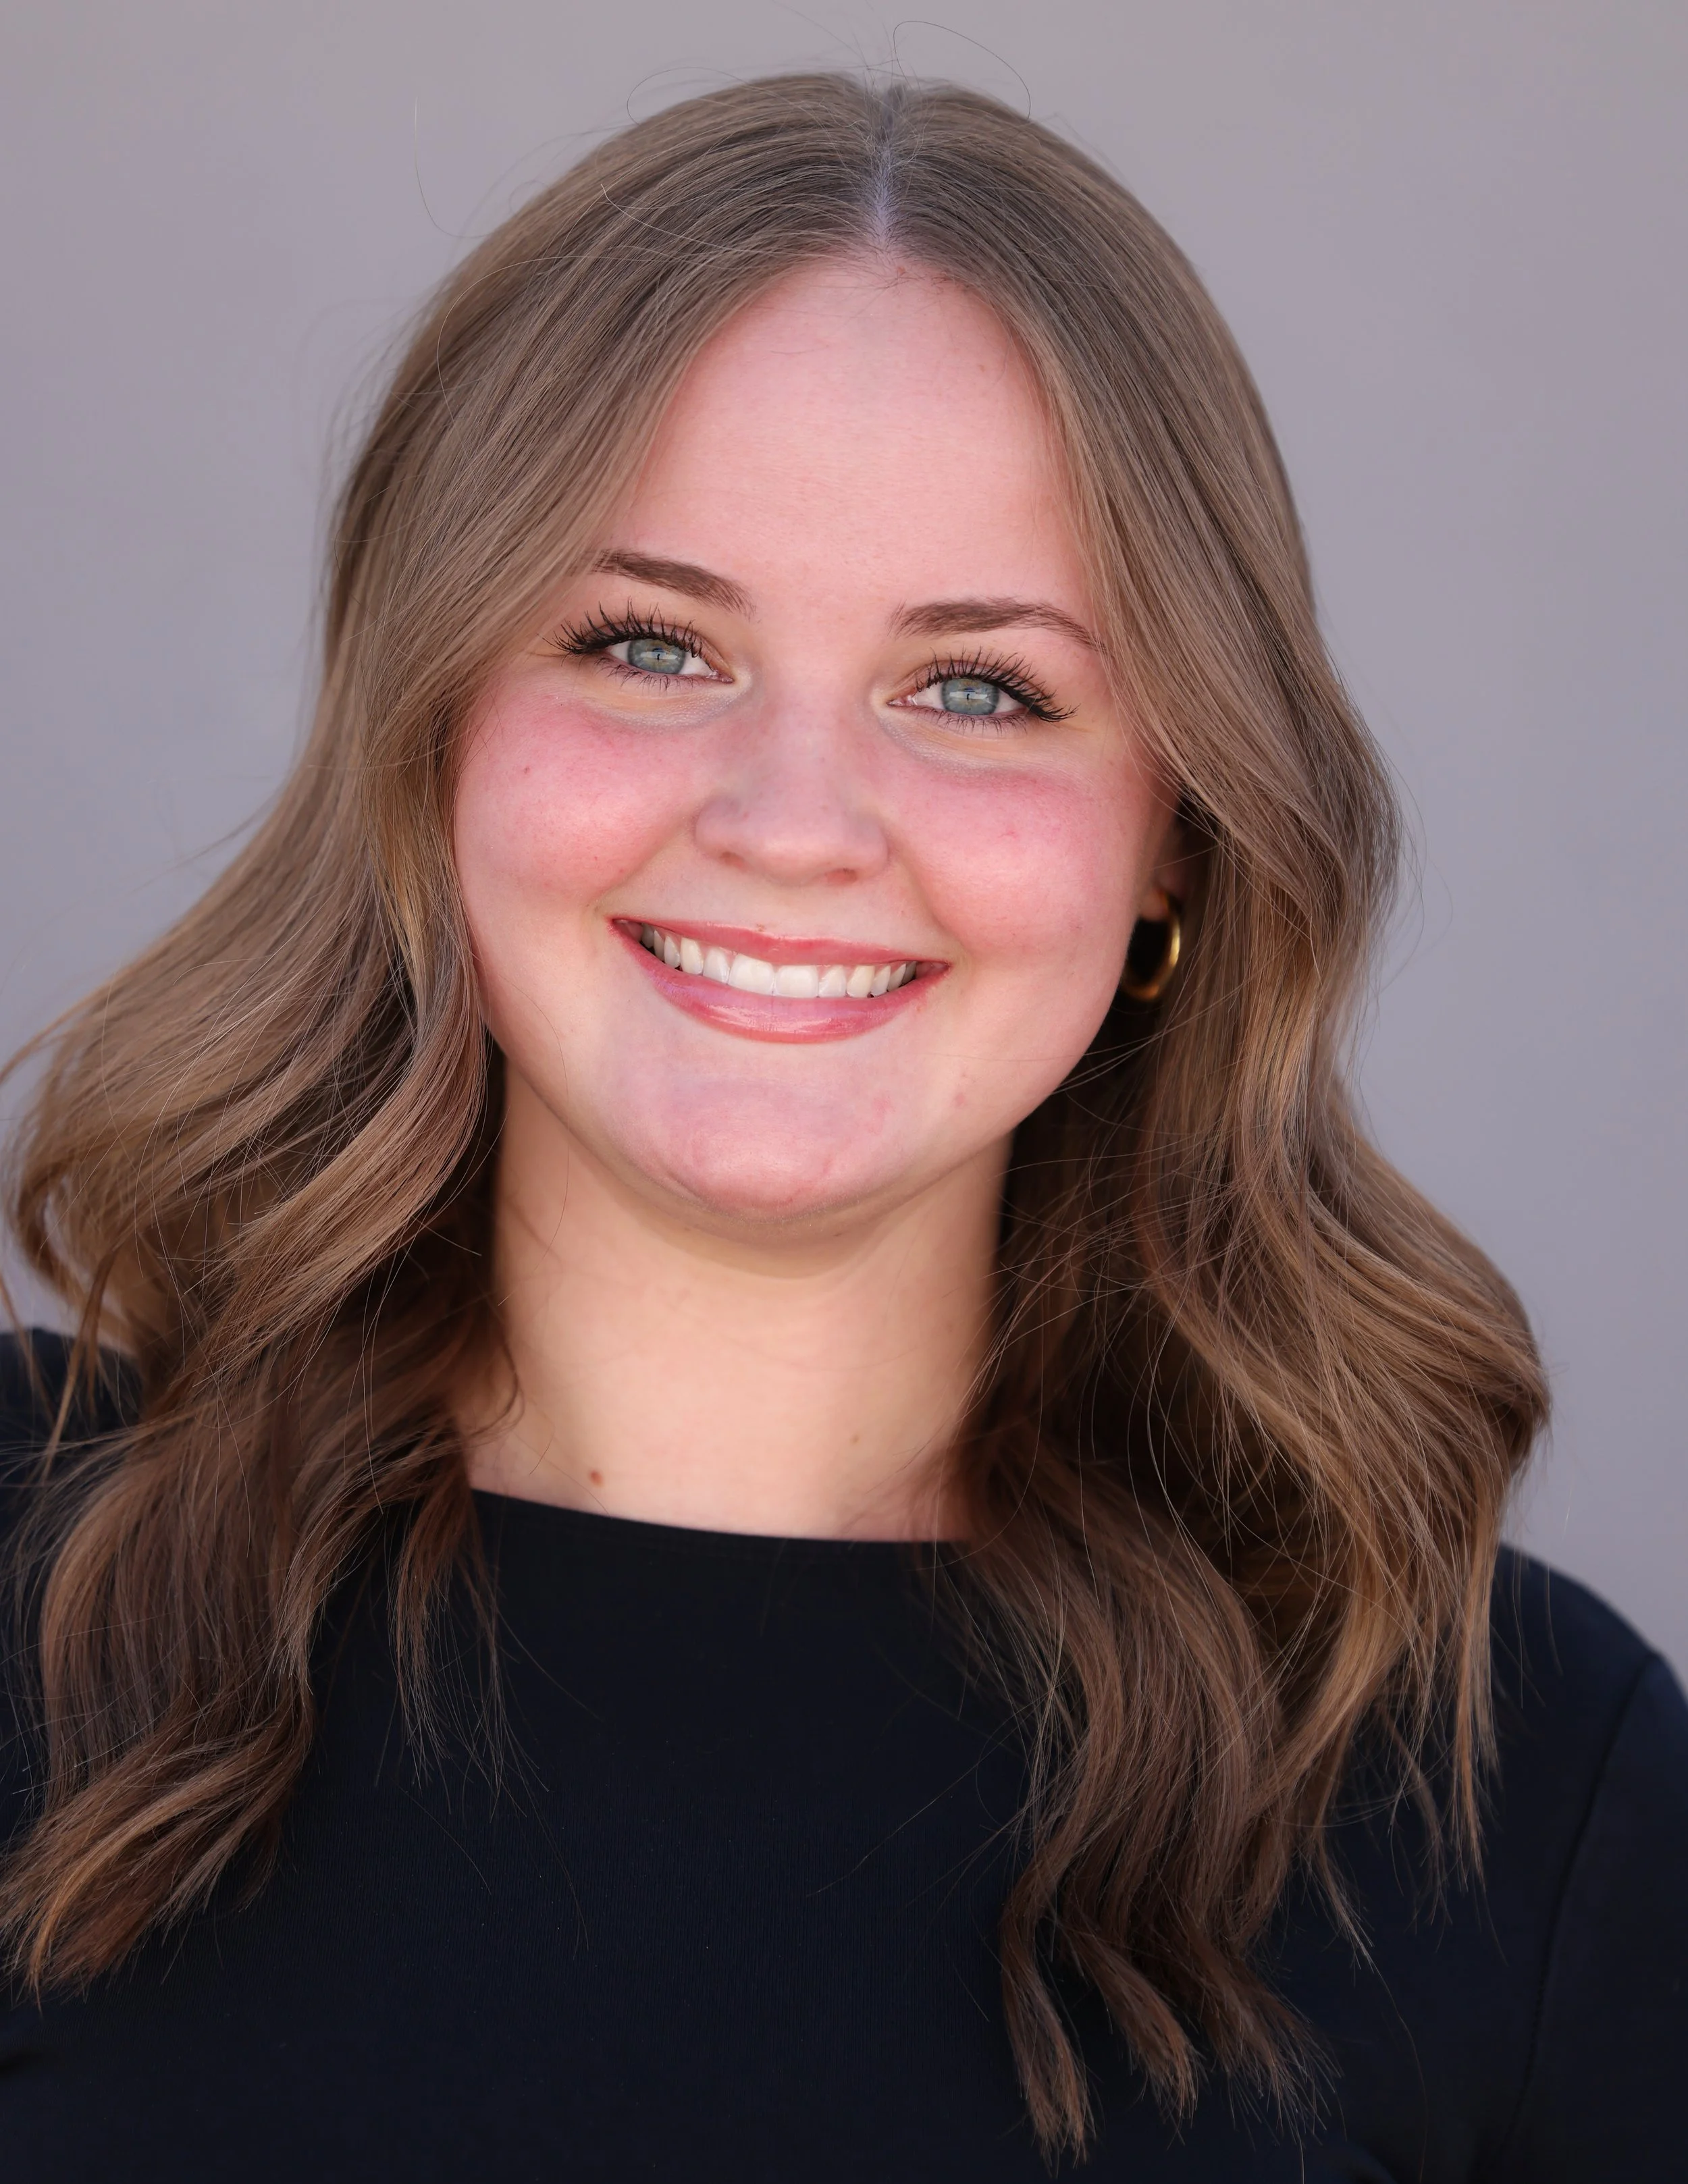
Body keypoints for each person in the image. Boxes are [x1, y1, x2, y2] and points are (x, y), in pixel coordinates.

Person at [1, 74, 1683, 2183]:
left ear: (1173, 837)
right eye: (646, 644)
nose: (791, 825)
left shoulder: (1515, 1795)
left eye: (977, 688)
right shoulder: (28, 1598)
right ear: (433, 741)